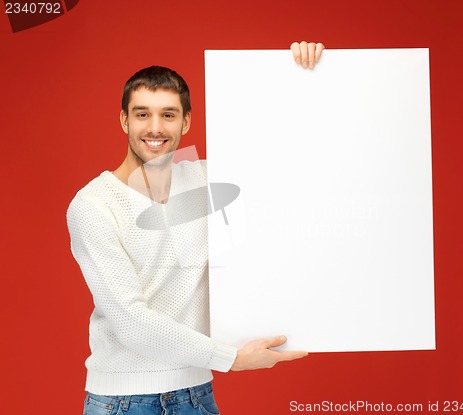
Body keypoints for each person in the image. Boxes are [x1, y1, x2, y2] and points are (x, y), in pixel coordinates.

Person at [67, 41, 325, 415]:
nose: (155, 128)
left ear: (186, 121)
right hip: (122, 402)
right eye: (142, 115)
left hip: (196, 394)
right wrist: (230, 358)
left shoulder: (208, 179)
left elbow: (290, 157)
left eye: (168, 115)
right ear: (124, 120)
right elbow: (131, 321)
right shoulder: (93, 205)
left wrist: (303, 73)